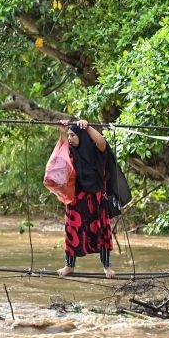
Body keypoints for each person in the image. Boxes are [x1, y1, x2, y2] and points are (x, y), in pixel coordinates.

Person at [57, 119, 116, 278]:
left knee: (102, 231)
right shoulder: (70, 150)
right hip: (76, 198)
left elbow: (102, 142)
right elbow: (60, 154)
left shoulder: (95, 150)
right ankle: (69, 265)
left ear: (82, 136)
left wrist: (87, 127)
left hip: (95, 198)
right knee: (71, 230)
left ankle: (106, 266)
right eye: (69, 135)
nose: (70, 138)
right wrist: (63, 133)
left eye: (73, 135)